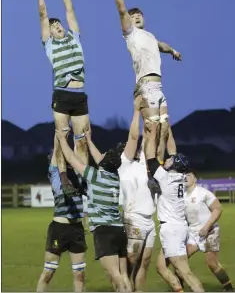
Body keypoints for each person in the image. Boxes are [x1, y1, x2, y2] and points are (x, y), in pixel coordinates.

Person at [56, 97, 142, 292]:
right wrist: (88, 140)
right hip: (118, 230)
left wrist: (62, 140)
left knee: (115, 277)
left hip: (103, 232)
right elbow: (101, 159)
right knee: (123, 276)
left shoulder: (94, 176)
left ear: (104, 164)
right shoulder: (114, 177)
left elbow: (71, 158)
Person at [112, 0, 181, 164]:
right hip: (146, 85)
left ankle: (166, 163)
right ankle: (150, 168)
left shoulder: (150, 36)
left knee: (165, 127)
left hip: (158, 87)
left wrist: (173, 51)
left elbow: (162, 45)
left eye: (139, 15)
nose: (136, 17)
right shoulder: (131, 34)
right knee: (152, 130)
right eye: (133, 16)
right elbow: (121, 10)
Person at [35, 0, 89, 195]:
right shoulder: (50, 44)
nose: (58, 26)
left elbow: (69, 8)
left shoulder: (74, 35)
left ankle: (82, 178)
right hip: (61, 93)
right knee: (61, 136)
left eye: (59, 24)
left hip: (79, 95)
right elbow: (43, 14)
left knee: (82, 140)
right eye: (54, 25)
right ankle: (64, 179)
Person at [146, 123, 204, 292]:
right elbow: (173, 151)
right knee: (161, 267)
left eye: (170, 160)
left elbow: (150, 157)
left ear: (174, 166)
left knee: (184, 271)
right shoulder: (178, 176)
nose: (167, 159)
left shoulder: (166, 178)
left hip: (171, 229)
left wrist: (153, 133)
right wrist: (168, 129)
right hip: (178, 227)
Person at [37, 135, 87, 292]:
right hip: (59, 228)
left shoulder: (77, 174)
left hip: (77, 228)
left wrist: (80, 134)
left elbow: (79, 150)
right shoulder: (56, 175)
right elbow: (58, 150)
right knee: (48, 273)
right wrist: (60, 131)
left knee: (79, 275)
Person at [184, 171, 234, 292]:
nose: (185, 178)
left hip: (210, 231)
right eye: (183, 176)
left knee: (212, 263)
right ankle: (178, 288)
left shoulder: (203, 193)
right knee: (180, 261)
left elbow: (218, 209)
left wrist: (206, 227)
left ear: (195, 179)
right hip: (193, 233)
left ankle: (229, 289)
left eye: (188, 175)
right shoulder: (182, 195)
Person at [119, 136, 156, 292]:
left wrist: (149, 125)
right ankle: (123, 287)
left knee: (145, 261)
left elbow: (147, 141)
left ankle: (138, 290)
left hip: (150, 220)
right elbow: (134, 138)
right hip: (134, 218)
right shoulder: (123, 164)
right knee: (132, 259)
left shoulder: (143, 164)